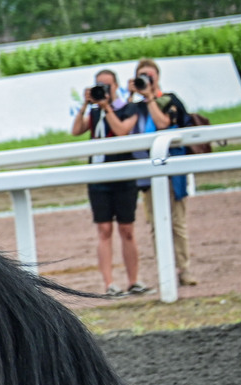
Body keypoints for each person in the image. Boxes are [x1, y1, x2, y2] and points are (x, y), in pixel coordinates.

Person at [71, 67, 145, 296]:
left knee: (127, 229)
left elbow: (122, 132)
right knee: (103, 229)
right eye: (98, 86)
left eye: (107, 86)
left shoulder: (129, 108)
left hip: (123, 173)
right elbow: (75, 131)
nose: (103, 90)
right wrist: (86, 105)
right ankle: (109, 283)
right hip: (98, 176)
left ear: (116, 87)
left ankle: (134, 281)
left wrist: (106, 107)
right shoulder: (93, 113)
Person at [130, 58, 194, 286]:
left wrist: (149, 98)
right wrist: (130, 96)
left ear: (158, 77)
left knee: (177, 222)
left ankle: (184, 269)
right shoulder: (135, 107)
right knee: (156, 225)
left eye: (150, 76)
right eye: (142, 77)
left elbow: (164, 123)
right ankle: (166, 271)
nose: (146, 80)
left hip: (172, 171)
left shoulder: (170, 100)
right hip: (148, 174)